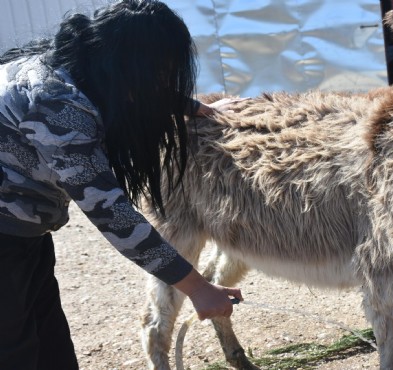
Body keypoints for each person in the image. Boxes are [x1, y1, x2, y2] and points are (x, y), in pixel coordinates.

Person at [0, 1, 242, 369]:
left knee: (48, 343)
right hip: (6, 235)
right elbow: (112, 214)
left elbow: (128, 91)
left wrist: (188, 105)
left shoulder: (73, 68)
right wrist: (198, 288)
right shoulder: (59, 109)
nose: (164, 81)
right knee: (14, 351)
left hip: (22, 232)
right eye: (160, 72)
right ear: (131, 65)